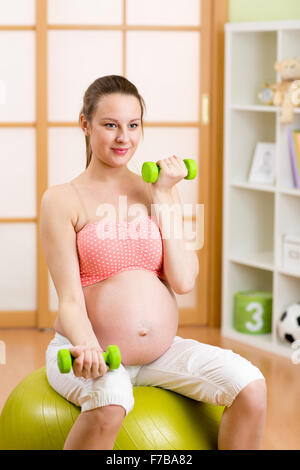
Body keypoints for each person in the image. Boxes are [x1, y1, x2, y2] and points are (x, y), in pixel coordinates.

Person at [40, 75, 266, 450]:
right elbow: (69, 298)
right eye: (110, 125)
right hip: (91, 351)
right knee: (112, 401)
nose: (123, 137)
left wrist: (163, 195)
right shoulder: (63, 199)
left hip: (160, 353)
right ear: (85, 124)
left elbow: (183, 280)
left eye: (133, 125)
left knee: (250, 386)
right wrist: (87, 347)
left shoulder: (158, 189)